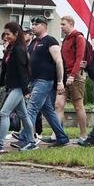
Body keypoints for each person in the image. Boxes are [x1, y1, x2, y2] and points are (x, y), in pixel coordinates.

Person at [0, 22, 35, 153]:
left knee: (4, 113)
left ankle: (0, 144)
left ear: (16, 34)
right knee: (24, 115)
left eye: (8, 34)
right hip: (13, 86)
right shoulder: (12, 48)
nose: (5, 36)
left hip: (19, 87)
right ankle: (32, 142)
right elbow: (7, 68)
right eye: (5, 34)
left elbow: (23, 71)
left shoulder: (19, 50)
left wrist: (25, 90)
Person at [25, 16, 69, 147]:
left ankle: (26, 139)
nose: (33, 26)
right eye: (32, 23)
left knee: (31, 108)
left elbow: (59, 61)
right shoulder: (33, 43)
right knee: (48, 111)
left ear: (44, 25)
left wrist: (61, 81)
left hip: (45, 80)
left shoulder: (50, 41)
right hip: (34, 80)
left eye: (36, 24)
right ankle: (62, 137)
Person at [55, 16, 89, 141]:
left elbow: (79, 58)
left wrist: (73, 75)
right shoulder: (66, 39)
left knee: (78, 106)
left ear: (71, 24)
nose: (61, 27)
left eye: (63, 24)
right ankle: (57, 134)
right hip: (65, 76)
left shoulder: (79, 37)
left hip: (75, 76)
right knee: (58, 105)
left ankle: (83, 134)